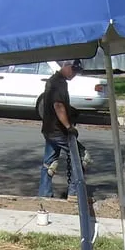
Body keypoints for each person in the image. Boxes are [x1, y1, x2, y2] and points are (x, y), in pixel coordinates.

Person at [39, 59, 91, 199]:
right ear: (67, 66)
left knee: (49, 163)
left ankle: (44, 194)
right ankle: (74, 194)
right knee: (82, 157)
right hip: (58, 130)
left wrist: (72, 111)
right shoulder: (59, 84)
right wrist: (69, 127)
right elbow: (58, 106)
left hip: (49, 129)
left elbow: (53, 104)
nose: (74, 74)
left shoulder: (52, 80)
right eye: (74, 71)